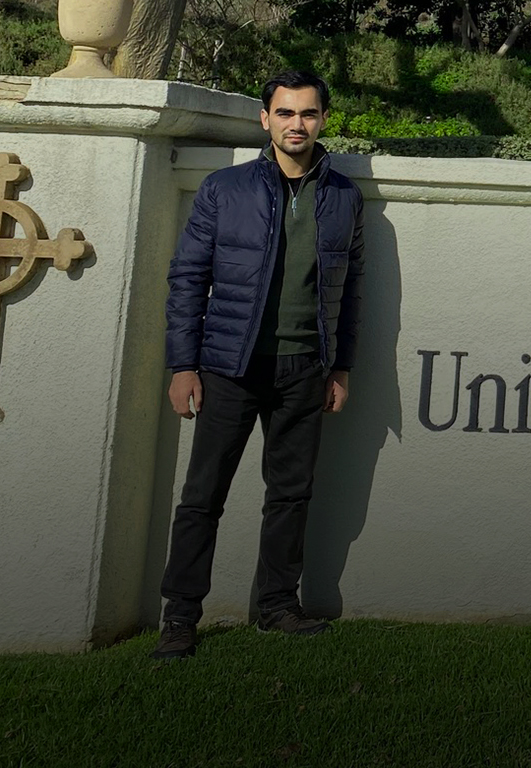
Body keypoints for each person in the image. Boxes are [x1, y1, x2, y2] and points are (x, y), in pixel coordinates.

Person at [151, 69, 365, 661]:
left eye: (309, 114)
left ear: (323, 119)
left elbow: (351, 289)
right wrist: (182, 365)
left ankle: (276, 605)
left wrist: (340, 367)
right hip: (228, 366)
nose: (298, 124)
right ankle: (181, 616)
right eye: (286, 113)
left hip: (305, 368)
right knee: (202, 496)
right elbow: (188, 279)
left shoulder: (344, 196)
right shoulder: (226, 189)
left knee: (291, 495)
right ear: (265, 119)